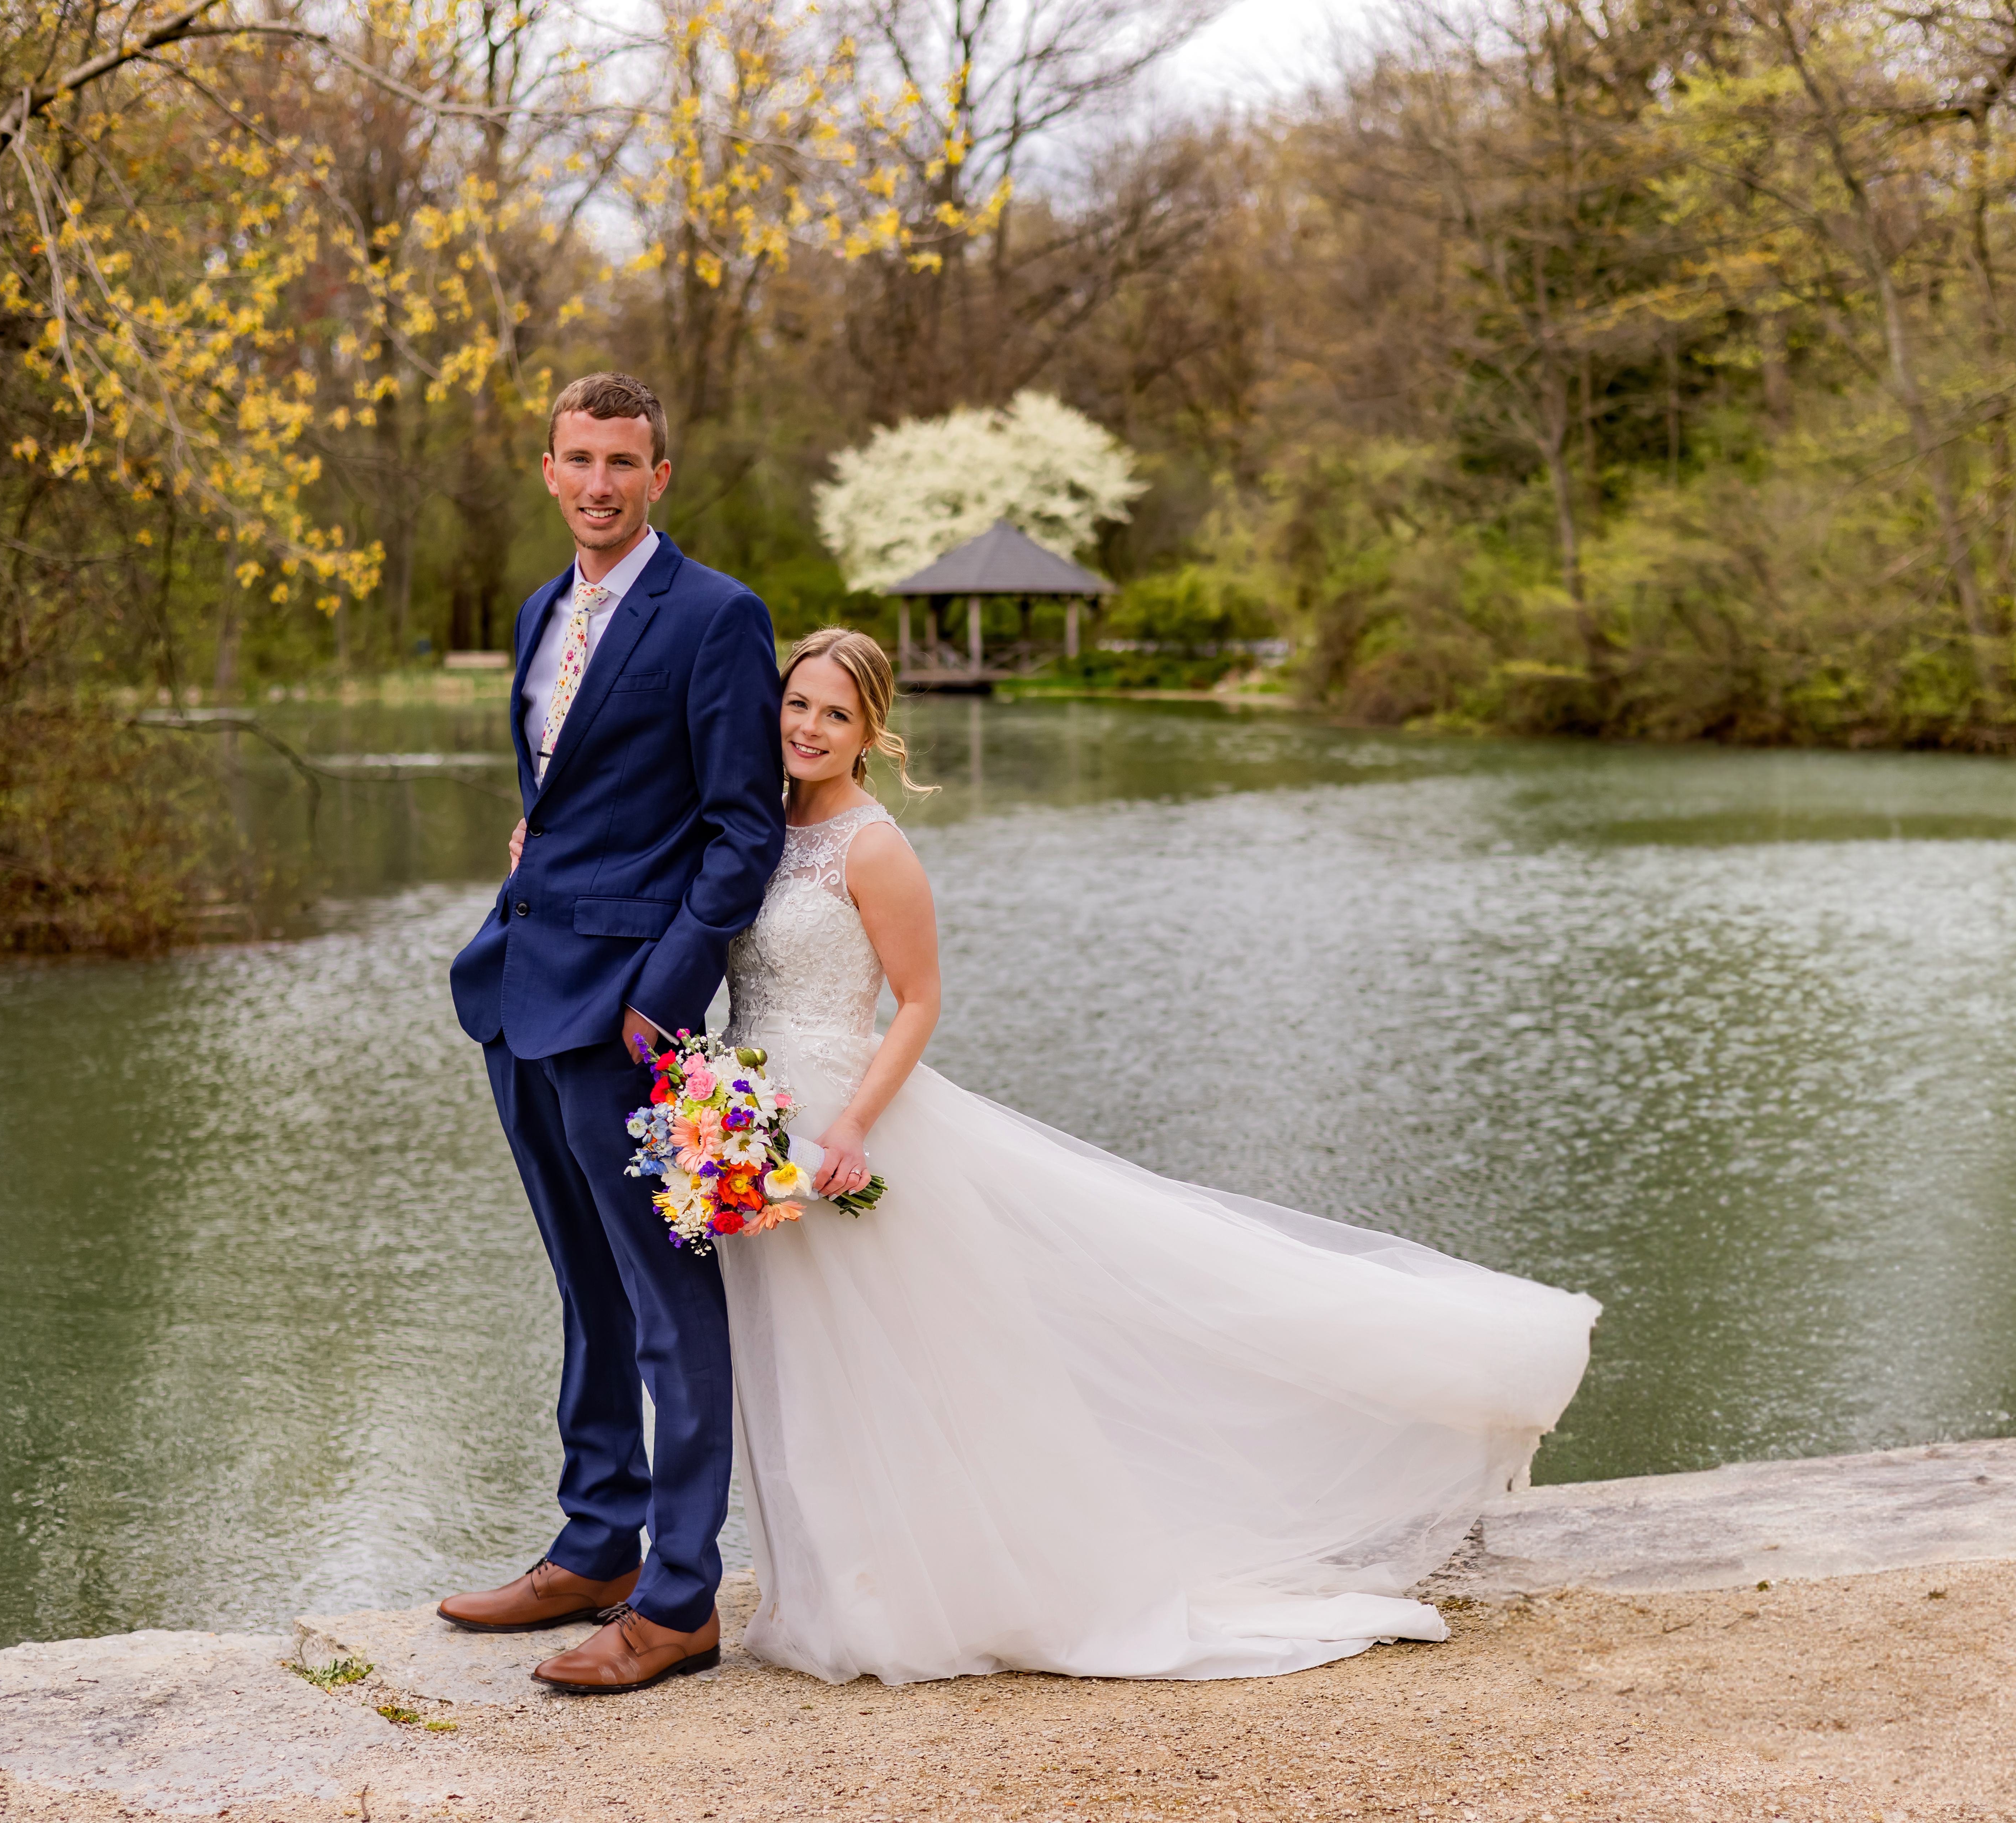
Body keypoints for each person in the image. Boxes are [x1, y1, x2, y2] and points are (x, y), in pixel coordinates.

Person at [714, 627, 1599, 1685]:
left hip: (850, 1133)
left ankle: (931, 1597)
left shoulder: (874, 845)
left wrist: (853, 1122)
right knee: (800, 1365)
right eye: (797, 704)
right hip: (755, 1126)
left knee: (898, 1367)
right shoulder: (754, 823)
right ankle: (829, 1589)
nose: (808, 728)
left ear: (872, 731)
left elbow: (920, 1000)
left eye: (835, 714)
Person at [441, 373, 785, 1693]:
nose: (598, 482)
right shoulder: (538, 610)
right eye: (578, 459)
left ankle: (683, 1596)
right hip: (520, 992)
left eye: (622, 462)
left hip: (628, 1013)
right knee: (584, 1286)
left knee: (665, 1303)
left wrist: (664, 992)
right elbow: (565, 795)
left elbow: (742, 827)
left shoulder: (715, 617)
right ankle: (597, 1543)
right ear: (547, 469)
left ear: (659, 477)